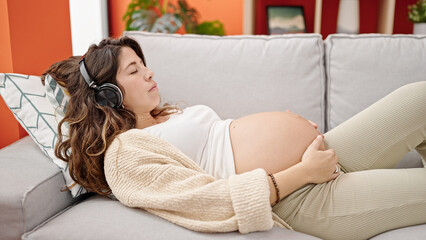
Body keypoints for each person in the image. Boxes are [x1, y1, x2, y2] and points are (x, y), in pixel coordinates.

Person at [41, 36, 426, 240]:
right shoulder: (126, 156)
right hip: (302, 197)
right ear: (109, 94)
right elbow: (209, 202)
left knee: (418, 98)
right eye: (134, 70)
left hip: (322, 156)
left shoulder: (163, 118)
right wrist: (303, 172)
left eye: (144, 65)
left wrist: (289, 133)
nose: (149, 74)